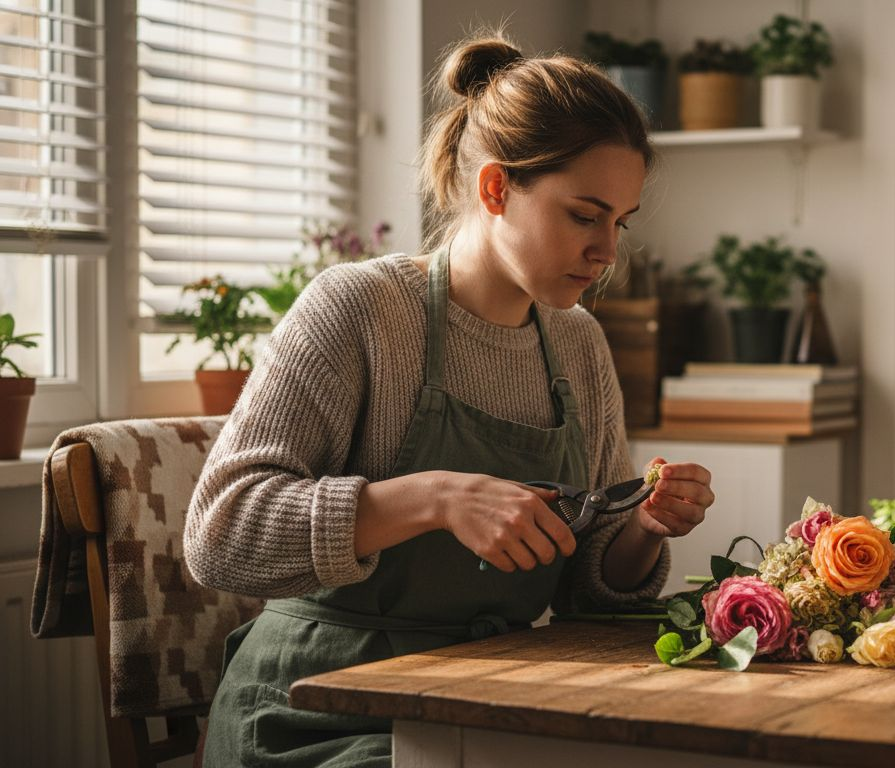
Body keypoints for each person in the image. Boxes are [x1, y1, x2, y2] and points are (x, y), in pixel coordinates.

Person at [184, 35, 715, 767]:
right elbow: (219, 537)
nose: (607, 252)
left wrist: (644, 530)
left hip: (491, 700)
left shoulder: (579, 344)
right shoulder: (360, 310)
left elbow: (590, 587)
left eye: (618, 222)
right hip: (319, 711)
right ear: (496, 189)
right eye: (584, 215)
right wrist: (433, 498)